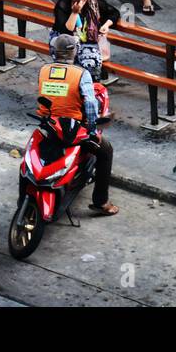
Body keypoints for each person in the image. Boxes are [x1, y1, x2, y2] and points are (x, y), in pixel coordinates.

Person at [38, 33, 117, 216]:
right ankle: (101, 202)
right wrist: (91, 129)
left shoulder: (44, 70)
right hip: (71, 130)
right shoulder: (81, 74)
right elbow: (90, 104)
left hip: (48, 126)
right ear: (75, 51)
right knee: (106, 152)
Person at [49, 0, 119, 80]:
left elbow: (114, 13)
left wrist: (106, 25)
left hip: (87, 40)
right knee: (68, 59)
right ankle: (71, 84)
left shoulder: (92, 1)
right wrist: (74, 12)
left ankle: (91, 85)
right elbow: (65, 32)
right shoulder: (63, 5)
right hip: (64, 41)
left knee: (91, 60)